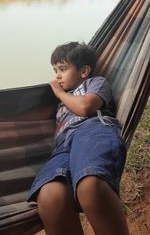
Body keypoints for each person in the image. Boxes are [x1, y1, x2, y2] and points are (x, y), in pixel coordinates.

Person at [28, 41, 129, 235]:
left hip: (93, 131)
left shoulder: (96, 83)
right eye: (55, 69)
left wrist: (58, 93)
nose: (57, 75)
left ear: (84, 71)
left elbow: (85, 107)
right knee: (49, 196)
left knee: (90, 184)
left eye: (63, 69)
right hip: (63, 146)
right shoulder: (61, 97)